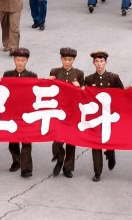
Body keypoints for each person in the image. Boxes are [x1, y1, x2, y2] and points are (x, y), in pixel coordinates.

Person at [84, 51, 123, 181]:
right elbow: (84, 97)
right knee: (95, 144)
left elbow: (122, 95)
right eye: (97, 62)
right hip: (96, 116)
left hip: (109, 115)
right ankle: (97, 172)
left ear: (106, 62)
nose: (99, 64)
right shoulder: (89, 79)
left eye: (101, 61)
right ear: (93, 63)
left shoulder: (113, 77)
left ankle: (111, 153)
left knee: (109, 140)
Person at [48, 47, 84, 177]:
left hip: (73, 111)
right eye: (65, 59)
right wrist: (48, 80)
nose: (67, 62)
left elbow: (84, 93)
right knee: (56, 139)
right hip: (58, 110)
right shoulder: (55, 71)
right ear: (61, 59)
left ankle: (68, 168)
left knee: (71, 141)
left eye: (70, 59)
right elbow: (49, 89)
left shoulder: (79, 73)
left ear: (74, 60)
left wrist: (79, 87)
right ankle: (59, 158)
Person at [2, 47, 37, 177]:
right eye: (18, 60)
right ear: (14, 60)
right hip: (12, 113)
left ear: (26, 61)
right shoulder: (7, 75)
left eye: (22, 60)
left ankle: (27, 168)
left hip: (27, 113)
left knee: (27, 141)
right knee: (12, 142)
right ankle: (16, 161)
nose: (20, 63)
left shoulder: (32, 76)